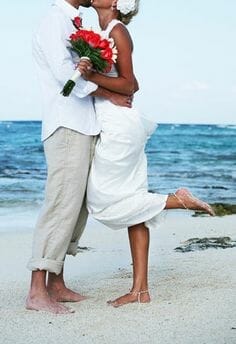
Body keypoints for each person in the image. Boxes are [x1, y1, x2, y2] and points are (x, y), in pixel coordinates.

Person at [78, 0, 215, 307]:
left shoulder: (118, 31)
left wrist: (90, 78)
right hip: (117, 123)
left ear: (114, 2)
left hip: (119, 127)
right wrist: (103, 88)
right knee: (133, 207)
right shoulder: (99, 31)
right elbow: (125, 86)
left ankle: (176, 200)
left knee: (101, 200)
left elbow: (130, 85)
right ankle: (141, 290)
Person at [26, 0, 132, 314]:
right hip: (66, 123)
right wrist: (110, 93)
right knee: (60, 203)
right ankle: (36, 291)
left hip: (83, 123)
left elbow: (83, 71)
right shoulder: (54, 20)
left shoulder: (75, 21)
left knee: (76, 205)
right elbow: (65, 77)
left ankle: (56, 284)